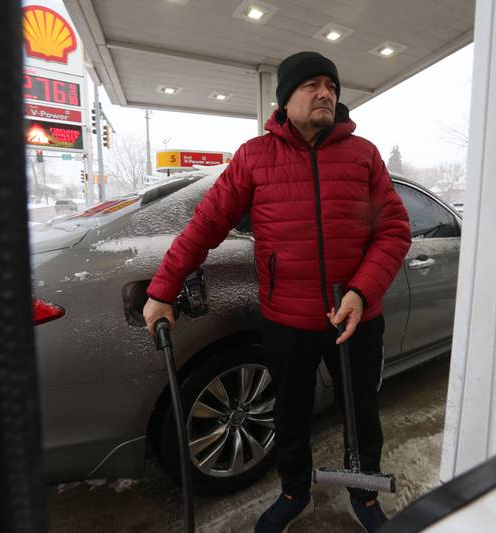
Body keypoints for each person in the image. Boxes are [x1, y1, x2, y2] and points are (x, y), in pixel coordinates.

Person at [143, 51, 411, 533]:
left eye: (331, 85)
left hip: (355, 317)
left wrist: (361, 293)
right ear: (284, 100)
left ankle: (364, 494)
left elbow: (394, 231)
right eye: (311, 85)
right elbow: (205, 226)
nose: (326, 92)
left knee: (362, 412)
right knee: (289, 414)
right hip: (287, 319)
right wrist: (163, 289)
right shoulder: (254, 157)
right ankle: (294, 493)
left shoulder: (362, 154)